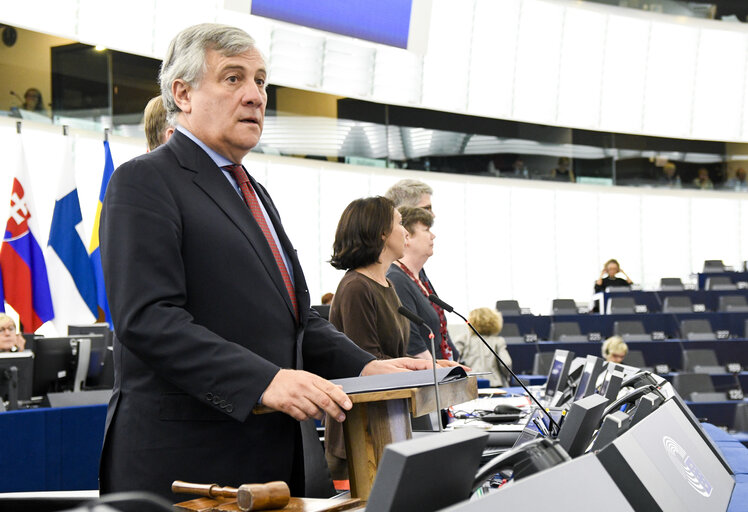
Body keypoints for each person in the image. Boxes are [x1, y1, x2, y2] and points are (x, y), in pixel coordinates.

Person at [98, 23, 430, 502]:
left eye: (260, 81)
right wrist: (263, 381)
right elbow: (147, 319)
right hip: (185, 468)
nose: (255, 95)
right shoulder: (143, 182)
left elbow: (295, 323)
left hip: (269, 464)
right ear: (183, 94)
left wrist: (363, 368)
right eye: (234, 79)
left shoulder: (255, 193)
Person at [324, 196, 411, 480]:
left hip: (387, 423)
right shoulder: (356, 288)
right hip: (361, 437)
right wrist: (416, 369)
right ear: (382, 233)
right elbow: (368, 366)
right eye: (400, 223)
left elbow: (393, 357)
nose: (406, 231)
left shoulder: (386, 284)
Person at [387, 206, 459, 361]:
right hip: (428, 375)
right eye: (426, 230)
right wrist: (441, 370)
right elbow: (412, 344)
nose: (433, 236)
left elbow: (440, 329)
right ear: (407, 236)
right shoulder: (397, 279)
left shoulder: (420, 277)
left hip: (440, 369)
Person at [453, 308, 511, 387]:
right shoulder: (498, 341)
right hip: (494, 385)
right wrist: (506, 378)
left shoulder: (462, 339)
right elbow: (506, 363)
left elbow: (452, 361)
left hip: (469, 385)